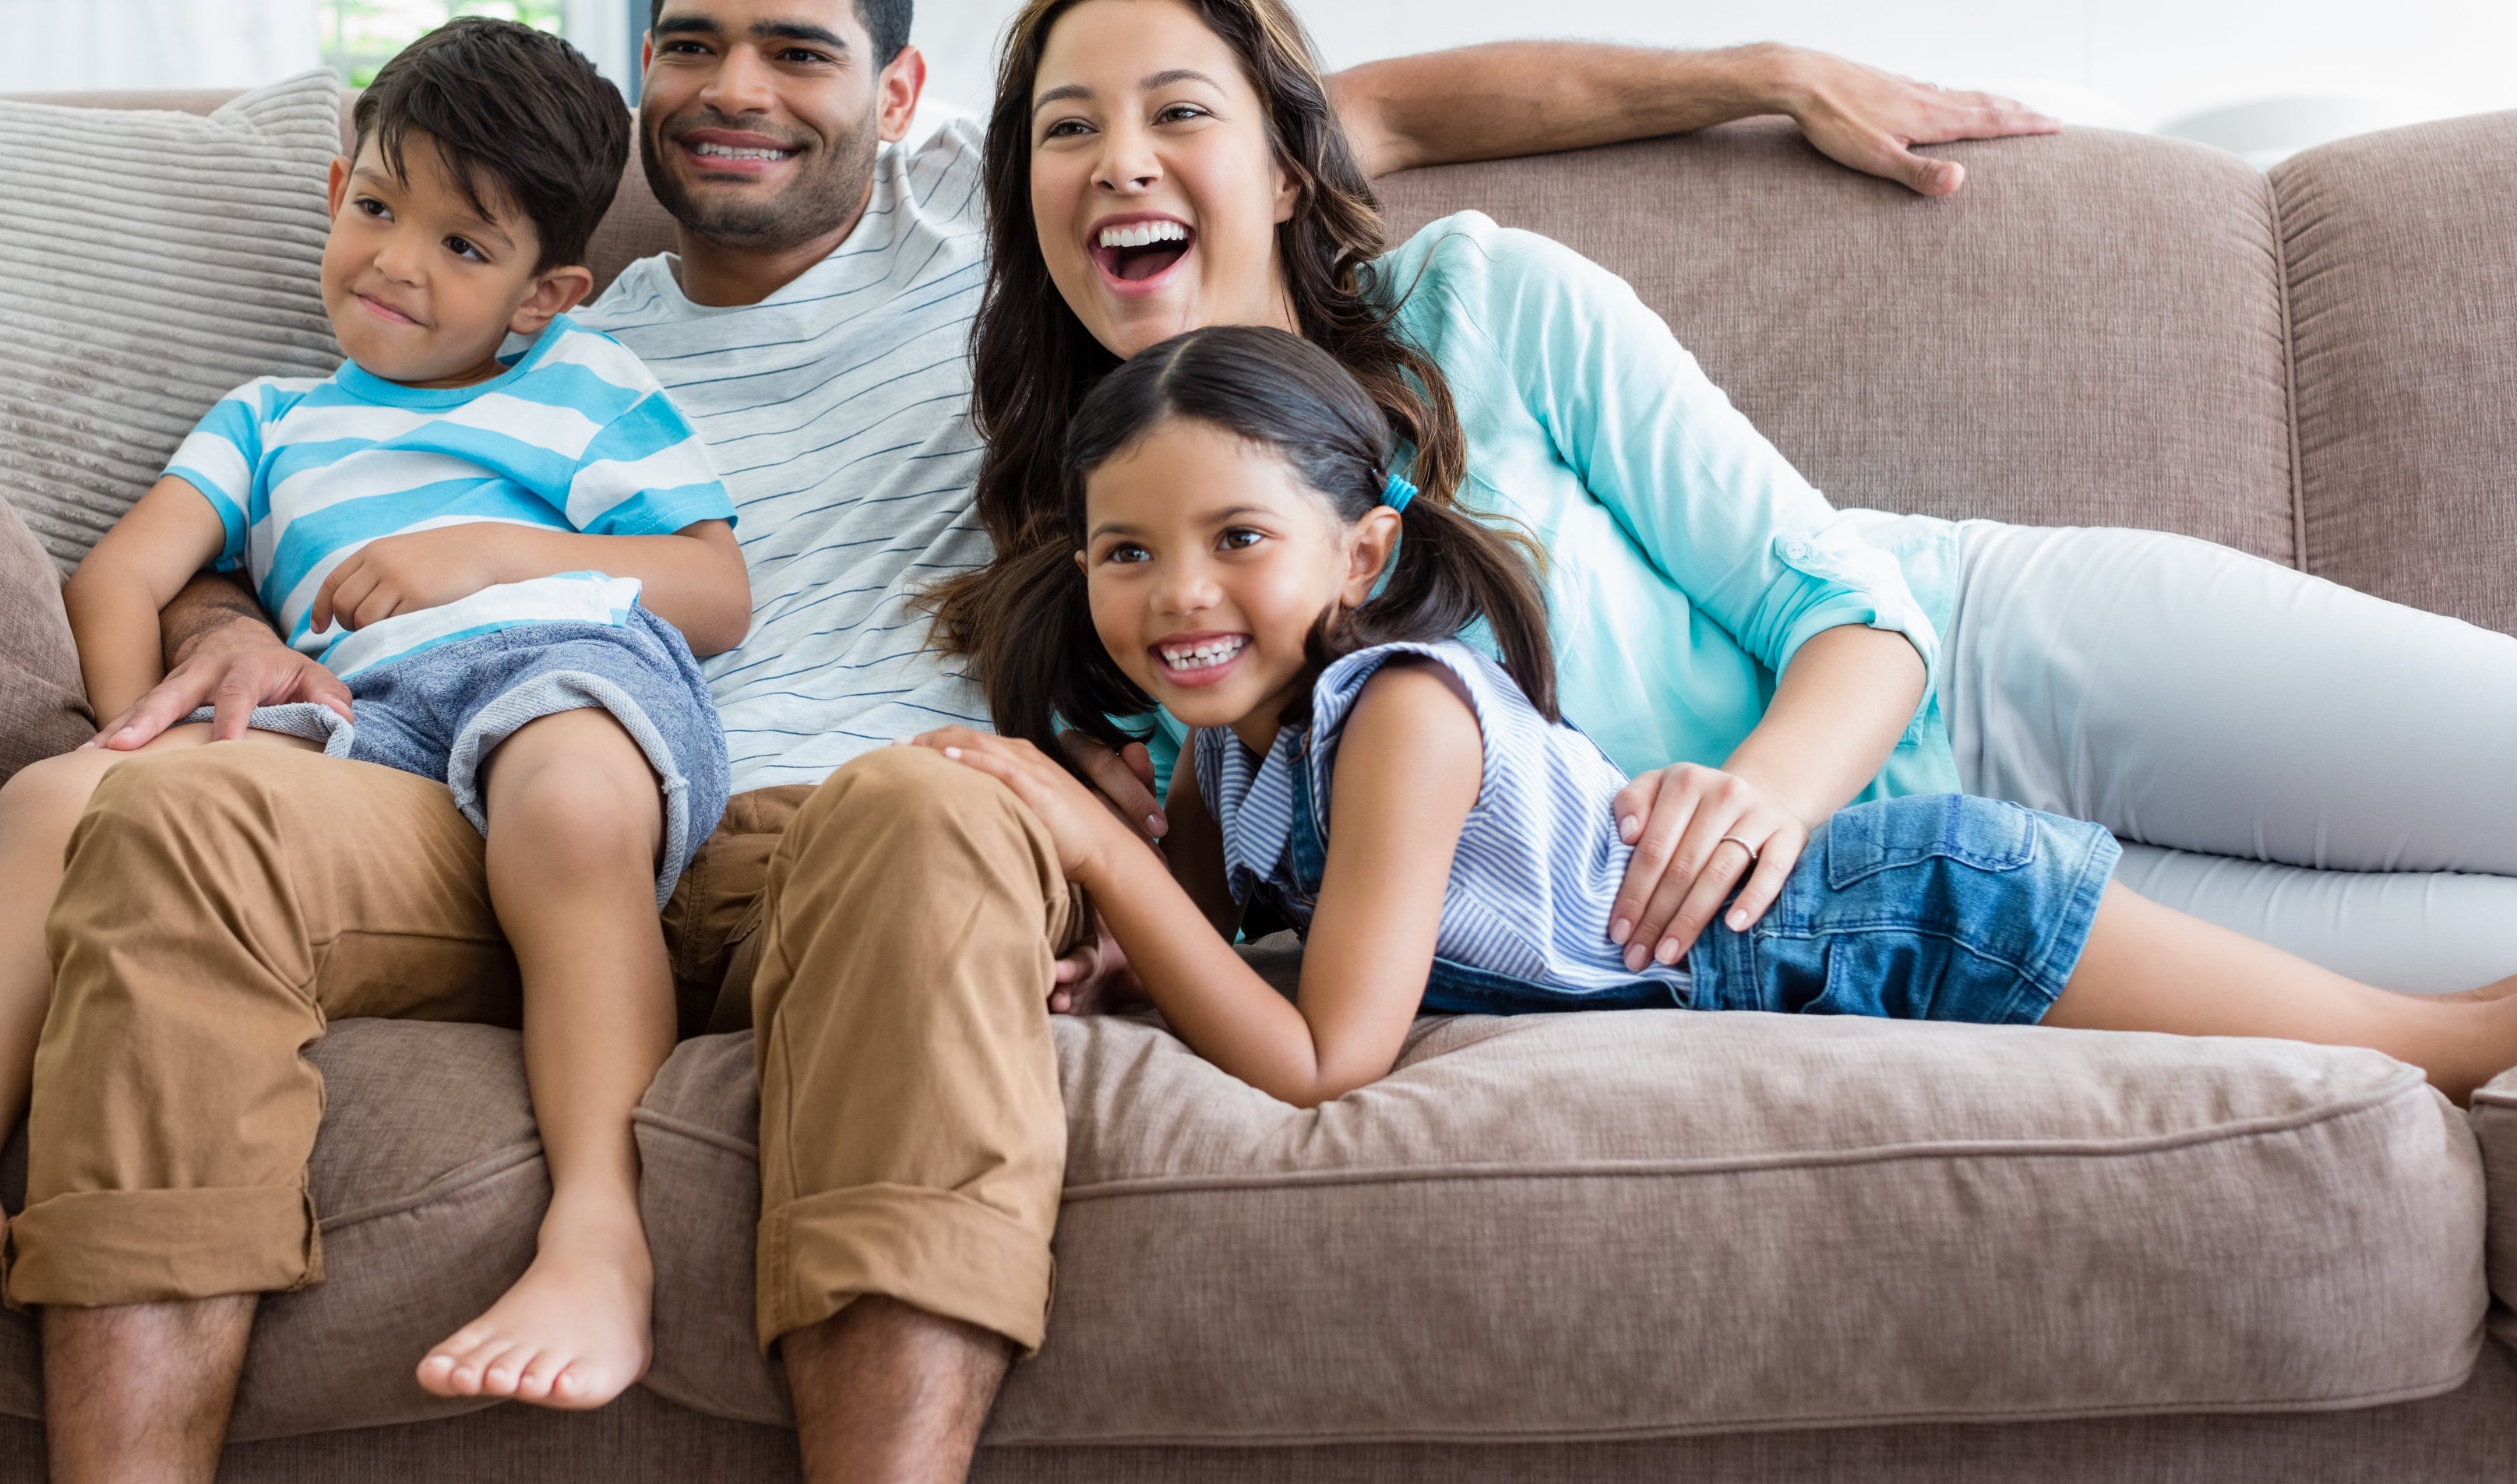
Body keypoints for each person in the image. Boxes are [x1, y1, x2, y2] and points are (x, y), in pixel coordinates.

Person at [0, 0, 2065, 1484]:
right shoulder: (534, 312)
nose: (735, 93)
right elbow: (288, 506)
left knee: (933, 808)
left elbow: (1367, 111)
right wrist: (213, 628)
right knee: (179, 820)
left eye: (801, 54)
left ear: (899, 104)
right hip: (483, 798)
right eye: (691, 45)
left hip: (846, 828)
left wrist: (1752, 61)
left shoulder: (1028, 236)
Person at [943, 0, 2517, 999]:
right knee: (2465, 974)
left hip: (1990, 656)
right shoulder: (1110, 575)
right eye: (1065, 131)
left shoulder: (1482, 300)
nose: (1120, 160)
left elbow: (1849, 605)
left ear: (1289, 168)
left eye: (1175, 114)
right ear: (1026, 197)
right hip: (1884, 909)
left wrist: (1750, 802)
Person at [0, 16, 752, 1412]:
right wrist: (141, 737)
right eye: (377, 209)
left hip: (558, 667)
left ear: (545, 294)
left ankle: (601, 1230)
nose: (396, 263)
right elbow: (123, 576)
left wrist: (490, 554)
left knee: (568, 796)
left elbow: (717, 589)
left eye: (462, 248)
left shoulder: (586, 387)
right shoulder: (268, 421)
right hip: (356, 737)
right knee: (53, 797)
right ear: (332, 193)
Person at [914, 323, 2517, 1109]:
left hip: (1899, 914)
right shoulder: (1222, 737)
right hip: (1834, 936)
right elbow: (1217, 924)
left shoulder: (1401, 713)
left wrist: (1090, 848)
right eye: (1129, 552)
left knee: (2431, 1049)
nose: (1177, 595)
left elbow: (1327, 1053)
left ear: (1363, 550)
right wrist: (1121, 960)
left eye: (1236, 541)